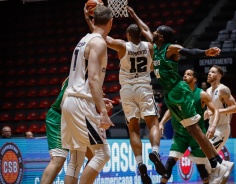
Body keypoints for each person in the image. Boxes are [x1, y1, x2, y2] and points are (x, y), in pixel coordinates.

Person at [127, 6, 232, 184]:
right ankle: (220, 163)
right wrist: (134, 15)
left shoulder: (170, 48)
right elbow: (144, 29)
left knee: (196, 130)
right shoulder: (155, 47)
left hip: (179, 91)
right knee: (192, 129)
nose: (152, 32)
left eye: (156, 31)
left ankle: (218, 165)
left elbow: (189, 51)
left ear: (161, 36)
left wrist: (205, 53)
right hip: (171, 95)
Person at [84, 10, 165, 183]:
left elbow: (102, 38)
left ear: (128, 35)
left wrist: (90, 21)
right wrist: (136, 16)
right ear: (140, 34)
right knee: (153, 124)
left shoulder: (122, 45)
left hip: (127, 90)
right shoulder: (149, 46)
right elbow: (149, 35)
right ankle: (156, 151)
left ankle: (140, 163)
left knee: (133, 128)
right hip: (144, 87)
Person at [61, 5, 114, 184]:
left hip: (70, 100)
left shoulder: (84, 39)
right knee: (102, 154)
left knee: (76, 158)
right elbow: (92, 79)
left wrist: (97, 97)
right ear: (110, 22)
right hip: (81, 104)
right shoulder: (98, 42)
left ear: (93, 20)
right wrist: (103, 112)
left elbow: (84, 79)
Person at [159, 69, 220, 184]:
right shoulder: (178, 92)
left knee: (201, 168)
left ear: (195, 79)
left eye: (188, 74)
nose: (185, 76)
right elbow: (171, 110)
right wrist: (161, 123)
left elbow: (216, 110)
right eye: (184, 74)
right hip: (180, 134)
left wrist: (212, 126)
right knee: (170, 162)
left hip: (197, 136)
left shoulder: (201, 94)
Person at [40, 77, 99, 184]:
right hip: (60, 116)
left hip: (74, 118)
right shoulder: (83, 73)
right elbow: (69, 99)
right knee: (58, 160)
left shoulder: (84, 73)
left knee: (95, 157)